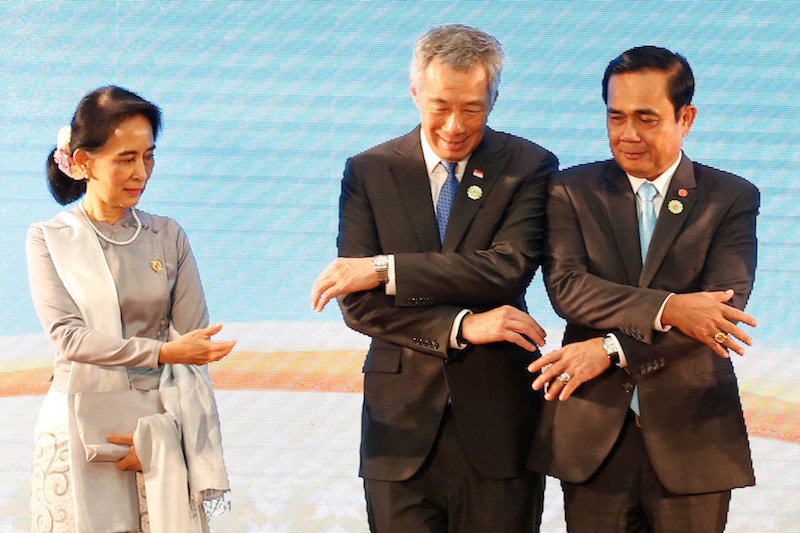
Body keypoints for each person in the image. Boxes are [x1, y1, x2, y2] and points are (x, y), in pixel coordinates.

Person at [311, 24, 557, 532]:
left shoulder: (529, 166)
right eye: (440, 105)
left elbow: (505, 268)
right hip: (398, 430)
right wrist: (461, 327)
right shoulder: (370, 171)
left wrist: (385, 269)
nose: (454, 125)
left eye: (473, 108)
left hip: (499, 423)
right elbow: (357, 304)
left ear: (493, 99)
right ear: (414, 92)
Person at [527, 46, 759, 532]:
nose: (627, 134)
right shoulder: (570, 190)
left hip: (693, 438)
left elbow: (720, 314)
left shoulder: (731, 198)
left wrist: (611, 349)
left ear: (686, 117)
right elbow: (569, 290)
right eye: (616, 117)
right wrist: (672, 307)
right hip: (593, 438)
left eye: (646, 118)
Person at [27, 86, 235, 533]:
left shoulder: (168, 235)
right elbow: (68, 337)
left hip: (156, 429)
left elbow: (191, 346)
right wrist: (162, 354)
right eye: (125, 158)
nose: (141, 172)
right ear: (83, 162)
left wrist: (167, 436)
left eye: (148, 156)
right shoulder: (49, 238)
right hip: (75, 429)